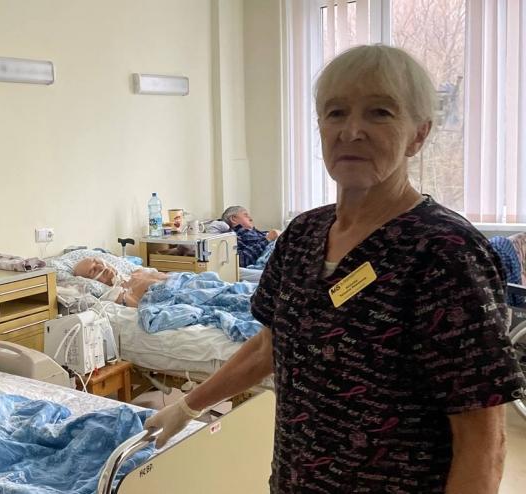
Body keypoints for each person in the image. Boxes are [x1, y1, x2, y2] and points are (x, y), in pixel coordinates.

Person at [145, 45, 526, 493]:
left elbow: (483, 442)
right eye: (336, 113)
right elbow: (270, 345)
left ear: (418, 135)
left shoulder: (446, 252)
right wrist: (189, 405)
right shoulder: (302, 235)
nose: (352, 131)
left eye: (380, 112)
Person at [73, 257, 168, 307]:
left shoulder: (136, 272)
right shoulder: (116, 294)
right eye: (93, 270)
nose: (101, 267)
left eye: (98, 262)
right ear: (89, 280)